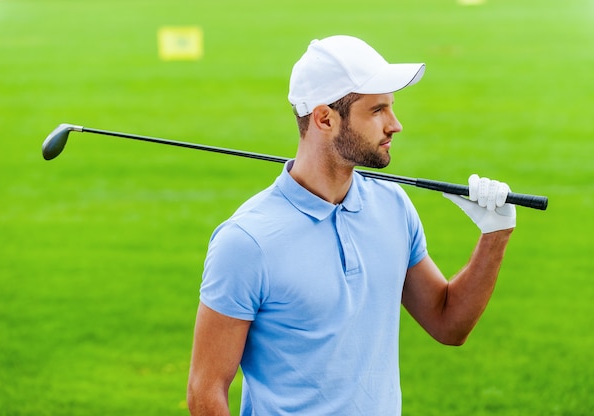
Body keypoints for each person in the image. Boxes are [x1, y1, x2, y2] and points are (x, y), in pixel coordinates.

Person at [186, 35, 516, 415]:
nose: (395, 125)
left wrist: (495, 234)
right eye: (377, 111)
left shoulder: (393, 206)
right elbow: (205, 391)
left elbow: (448, 324)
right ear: (325, 118)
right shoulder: (246, 242)